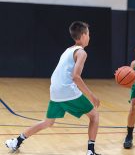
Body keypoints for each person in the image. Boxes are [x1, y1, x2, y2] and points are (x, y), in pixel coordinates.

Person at [5, 21, 101, 155]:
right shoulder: (81, 53)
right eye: (89, 34)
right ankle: (90, 151)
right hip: (67, 90)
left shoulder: (68, 50)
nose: (90, 37)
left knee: (48, 122)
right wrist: (92, 96)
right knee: (94, 116)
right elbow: (76, 77)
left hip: (55, 91)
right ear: (84, 35)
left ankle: (17, 140)